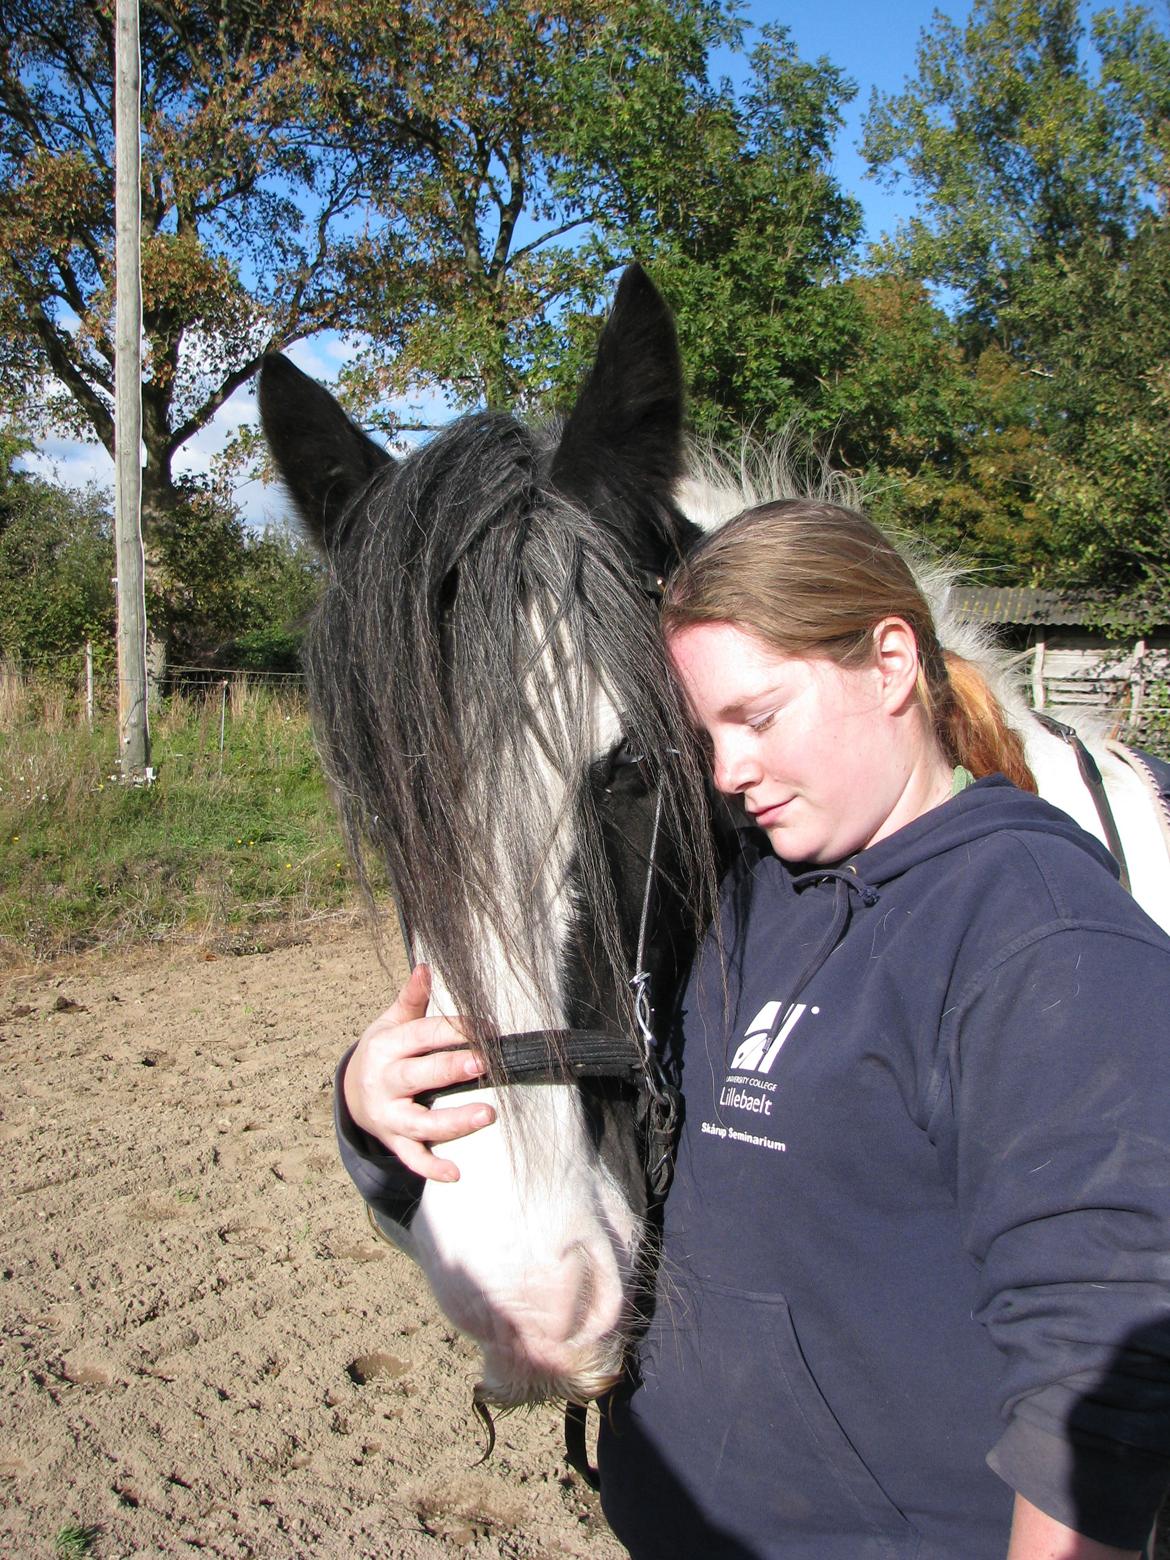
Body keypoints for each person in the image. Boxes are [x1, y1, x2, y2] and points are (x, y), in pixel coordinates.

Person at [337, 499, 1170, 1559]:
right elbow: (584, 1064)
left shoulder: (1039, 937)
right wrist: (373, 1102)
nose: (725, 773)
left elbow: (1103, 1335)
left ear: (890, 664)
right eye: (705, 735)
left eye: (759, 717)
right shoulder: (745, 897)